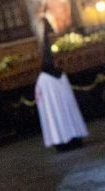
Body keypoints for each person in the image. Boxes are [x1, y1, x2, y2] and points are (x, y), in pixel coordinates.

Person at [34, 18, 88, 151]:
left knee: (56, 117)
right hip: (66, 108)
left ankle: (61, 139)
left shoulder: (43, 80)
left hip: (55, 111)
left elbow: (41, 102)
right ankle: (74, 135)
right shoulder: (61, 75)